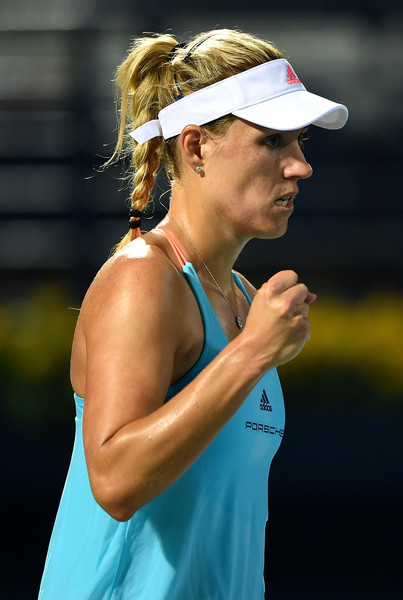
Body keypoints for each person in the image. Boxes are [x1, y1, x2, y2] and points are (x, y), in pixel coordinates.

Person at [39, 28, 348, 599]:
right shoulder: (142, 277)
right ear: (196, 147)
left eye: (300, 142)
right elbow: (114, 479)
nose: (300, 166)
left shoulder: (241, 296)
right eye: (273, 142)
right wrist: (252, 353)